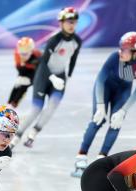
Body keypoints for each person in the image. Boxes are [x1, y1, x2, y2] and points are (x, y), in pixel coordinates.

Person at [72, 31, 136, 178]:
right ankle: (81, 156)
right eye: (121, 48)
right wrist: (101, 105)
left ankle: (101, 159)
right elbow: (101, 80)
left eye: (125, 49)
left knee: (116, 123)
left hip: (123, 92)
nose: (121, 52)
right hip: (105, 88)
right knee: (97, 119)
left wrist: (123, 110)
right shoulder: (114, 57)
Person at [11, 7, 82, 148]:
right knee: (36, 109)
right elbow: (43, 62)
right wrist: (52, 78)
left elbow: (73, 58)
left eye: (73, 21)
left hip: (60, 77)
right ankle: (16, 138)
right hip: (43, 76)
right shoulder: (54, 40)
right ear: (61, 23)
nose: (71, 24)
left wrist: (69, 75)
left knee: (52, 107)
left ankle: (33, 133)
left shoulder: (77, 41)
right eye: (68, 21)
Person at [8, 37, 42, 108]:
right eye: (22, 49)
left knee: (23, 86)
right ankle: (9, 103)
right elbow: (18, 67)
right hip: (23, 70)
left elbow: (41, 67)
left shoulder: (37, 54)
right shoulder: (17, 54)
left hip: (34, 72)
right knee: (17, 85)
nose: (24, 51)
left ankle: (14, 104)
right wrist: (22, 68)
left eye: (26, 49)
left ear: (31, 49)